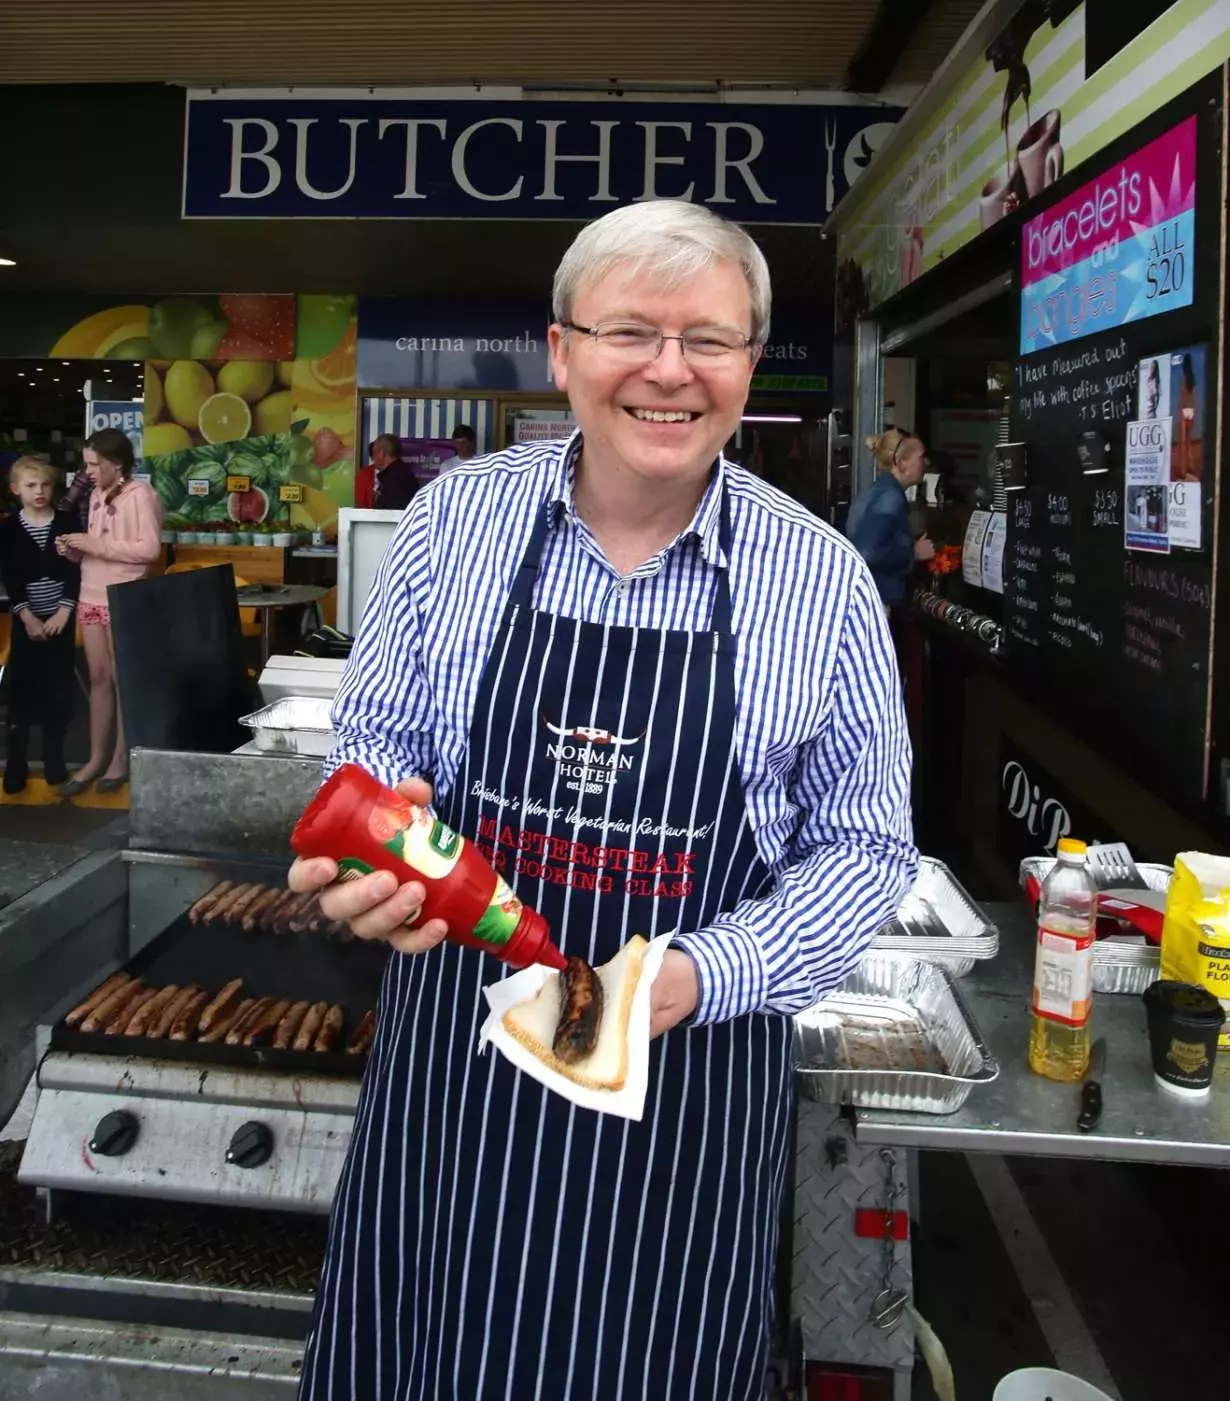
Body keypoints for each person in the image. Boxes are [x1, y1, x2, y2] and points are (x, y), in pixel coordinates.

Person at [288, 199, 917, 1401]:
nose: (669, 372)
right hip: (454, 1111)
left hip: (683, 1121)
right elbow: (367, 754)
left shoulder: (822, 584)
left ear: (747, 364)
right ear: (563, 350)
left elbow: (864, 850)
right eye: (631, 331)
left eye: (710, 340)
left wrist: (694, 976)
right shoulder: (453, 527)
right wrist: (368, 863)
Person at [56, 428, 162, 796]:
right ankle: (95, 757)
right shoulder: (98, 494)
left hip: (123, 597)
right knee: (98, 679)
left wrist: (95, 545)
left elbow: (149, 550)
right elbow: (100, 547)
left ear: (115, 463)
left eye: (93, 464)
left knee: (122, 680)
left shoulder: (141, 495)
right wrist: (74, 549)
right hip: (90, 594)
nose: (87, 473)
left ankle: (120, 758)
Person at [0, 458, 80, 793]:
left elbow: (76, 569)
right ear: (15, 489)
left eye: (45, 485)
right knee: (22, 689)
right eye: (31, 486)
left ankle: (54, 759)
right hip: (27, 620)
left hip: (60, 620)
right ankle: (16, 762)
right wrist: (26, 615)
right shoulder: (9, 528)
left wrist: (64, 611)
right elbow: (10, 576)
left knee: (58, 689)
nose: (39, 492)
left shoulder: (66, 521)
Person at [844, 429, 935, 607]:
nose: (926, 462)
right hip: (879, 600)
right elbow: (867, 552)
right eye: (920, 457)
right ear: (901, 464)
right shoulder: (889, 498)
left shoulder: (879, 492)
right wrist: (914, 552)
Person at [355, 433, 418, 511]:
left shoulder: (396, 479)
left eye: (374, 453)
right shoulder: (400, 474)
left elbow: (387, 515)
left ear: (382, 453)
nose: (373, 458)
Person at [1177, 352, 1198, 481]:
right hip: (1192, 411)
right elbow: (1193, 397)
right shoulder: (1193, 378)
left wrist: (1180, 412)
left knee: (1183, 443)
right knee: (1189, 443)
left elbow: (1182, 397)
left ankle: (1184, 471)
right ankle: (1190, 467)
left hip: (1184, 411)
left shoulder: (1184, 378)